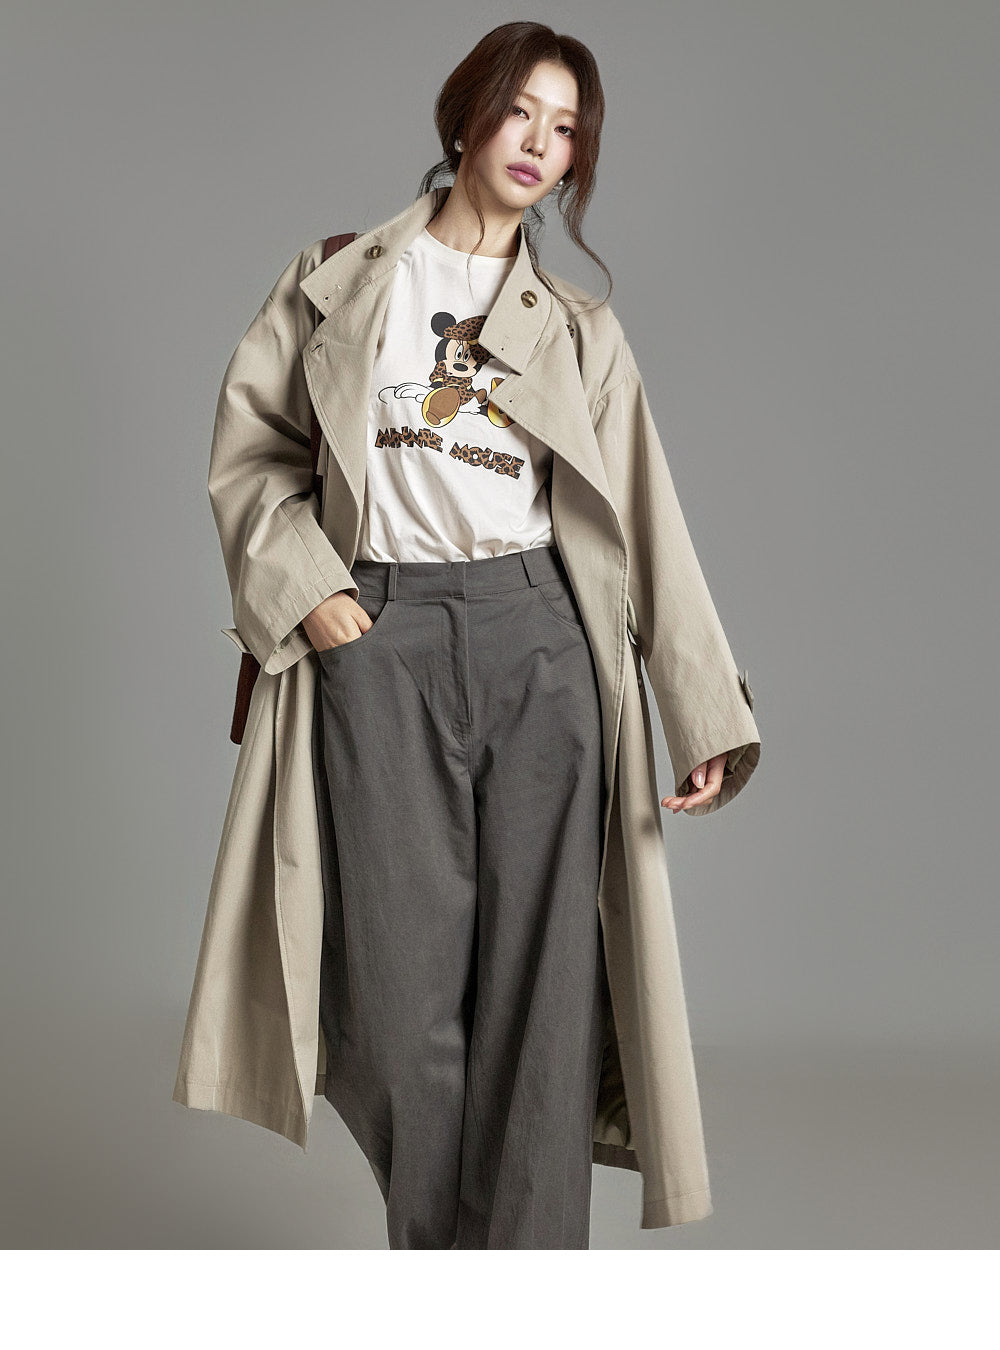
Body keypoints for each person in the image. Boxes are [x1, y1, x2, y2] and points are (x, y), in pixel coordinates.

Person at [179, 20, 761, 1250]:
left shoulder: (579, 328)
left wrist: (703, 709)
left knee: (544, 1002)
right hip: (377, 640)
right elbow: (250, 454)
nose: (541, 143)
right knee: (394, 1005)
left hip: (539, 643)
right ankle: (443, 1266)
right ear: (466, 118)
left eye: (567, 129)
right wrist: (312, 590)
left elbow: (644, 518)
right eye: (521, 113)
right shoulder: (337, 280)